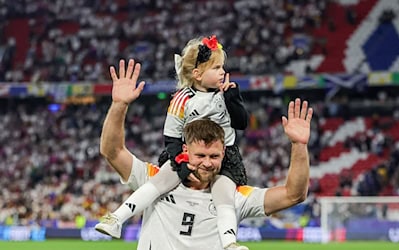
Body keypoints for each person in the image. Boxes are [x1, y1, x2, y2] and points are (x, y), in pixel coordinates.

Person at [98, 59, 313, 249]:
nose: (207, 163)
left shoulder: (235, 196)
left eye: (214, 157)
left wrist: (299, 145)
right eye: (200, 156)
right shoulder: (154, 178)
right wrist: (119, 105)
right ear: (185, 151)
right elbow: (112, 151)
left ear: (224, 154)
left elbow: (293, 194)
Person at [96, 35, 249, 249]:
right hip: (185, 156)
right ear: (197, 74)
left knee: (224, 197)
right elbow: (172, 134)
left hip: (224, 159)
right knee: (157, 184)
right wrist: (179, 158)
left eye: (222, 66)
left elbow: (242, 123)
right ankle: (116, 219)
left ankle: (230, 243)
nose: (222, 71)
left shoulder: (226, 95)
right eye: (216, 68)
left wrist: (232, 97)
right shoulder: (182, 98)